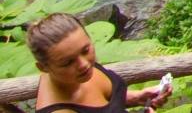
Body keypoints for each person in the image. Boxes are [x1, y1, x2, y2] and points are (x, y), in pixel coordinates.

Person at [27, 14, 169, 112]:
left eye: (85, 50)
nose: (84, 64)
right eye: (68, 62)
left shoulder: (74, 71)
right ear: (43, 67)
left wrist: (136, 98)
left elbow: (103, 104)